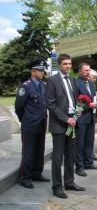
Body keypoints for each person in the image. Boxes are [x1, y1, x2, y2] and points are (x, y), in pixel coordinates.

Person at [46, 54, 85, 199]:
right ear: (59, 65)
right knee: (57, 157)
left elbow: (75, 100)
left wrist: (78, 110)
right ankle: (57, 187)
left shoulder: (73, 81)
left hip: (72, 123)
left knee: (71, 155)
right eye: (65, 64)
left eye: (70, 64)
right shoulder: (52, 81)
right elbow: (50, 103)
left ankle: (69, 182)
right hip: (59, 125)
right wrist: (66, 118)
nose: (68, 66)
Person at [15, 58, 50, 189]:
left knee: (39, 150)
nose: (42, 73)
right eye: (40, 71)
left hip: (42, 123)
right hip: (30, 124)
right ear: (33, 71)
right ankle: (25, 177)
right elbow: (19, 106)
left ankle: (37, 173)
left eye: (42, 71)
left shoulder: (43, 85)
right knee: (28, 152)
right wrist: (24, 119)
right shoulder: (25, 86)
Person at [74, 63, 97, 177]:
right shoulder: (76, 83)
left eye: (89, 70)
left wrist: (94, 105)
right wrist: (87, 106)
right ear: (80, 71)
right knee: (80, 143)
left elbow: (93, 97)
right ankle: (79, 166)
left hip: (90, 116)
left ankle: (89, 162)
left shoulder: (90, 83)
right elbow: (75, 102)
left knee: (89, 141)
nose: (87, 72)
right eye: (85, 70)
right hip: (81, 117)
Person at [88, 69, 97, 161]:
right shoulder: (84, 85)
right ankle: (88, 155)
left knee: (91, 135)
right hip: (86, 112)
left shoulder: (92, 85)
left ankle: (91, 154)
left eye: (96, 78)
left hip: (93, 112)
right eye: (93, 77)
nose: (95, 79)